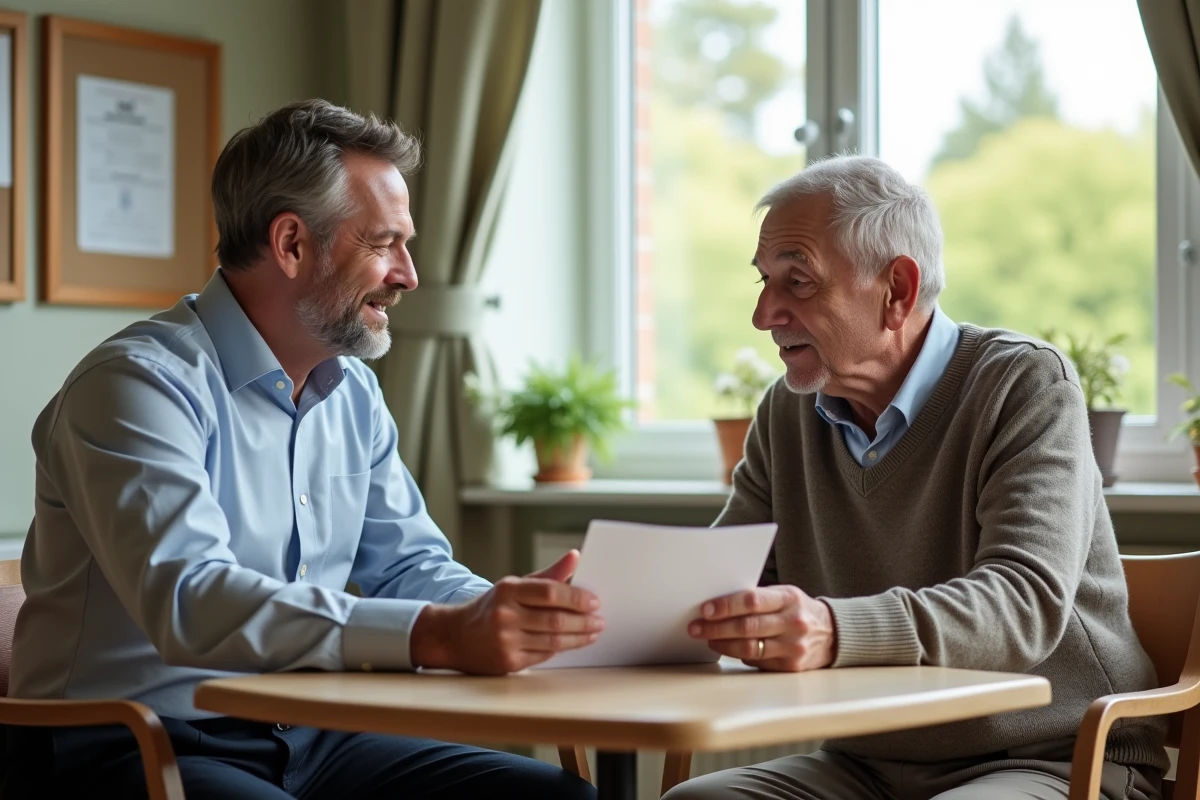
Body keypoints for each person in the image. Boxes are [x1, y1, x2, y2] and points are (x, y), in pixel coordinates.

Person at [3, 99, 600, 800]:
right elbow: (191, 599)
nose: (408, 274)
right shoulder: (136, 385)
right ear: (290, 244)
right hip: (128, 742)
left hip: (311, 731)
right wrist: (437, 635)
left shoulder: (353, 393)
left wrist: (528, 620)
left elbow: (409, 567)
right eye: (384, 243)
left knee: (558, 797)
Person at [670, 155, 1166, 800]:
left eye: (798, 281)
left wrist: (833, 630)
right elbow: (724, 581)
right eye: (765, 281)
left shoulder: (1023, 385)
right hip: (866, 761)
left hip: (1054, 756)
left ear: (897, 290)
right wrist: (594, 613)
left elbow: (1023, 605)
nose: (764, 314)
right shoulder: (787, 413)